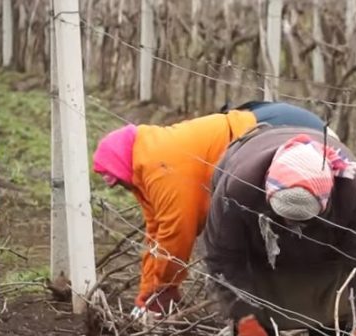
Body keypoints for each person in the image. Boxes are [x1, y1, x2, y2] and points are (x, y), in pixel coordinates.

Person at [92, 101, 335, 318]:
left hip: (282, 130)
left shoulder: (162, 167)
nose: (123, 187)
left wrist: (163, 288)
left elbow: (177, 233)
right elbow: (156, 233)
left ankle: (314, 300)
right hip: (266, 123)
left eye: (119, 181)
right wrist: (146, 294)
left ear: (123, 164)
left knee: (300, 211)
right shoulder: (148, 160)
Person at [202, 125, 356, 336]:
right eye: (284, 217)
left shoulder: (353, 191)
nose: (292, 228)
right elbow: (224, 258)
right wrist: (243, 316)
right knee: (252, 319)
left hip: (326, 257)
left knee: (334, 308)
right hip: (258, 249)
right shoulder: (238, 187)